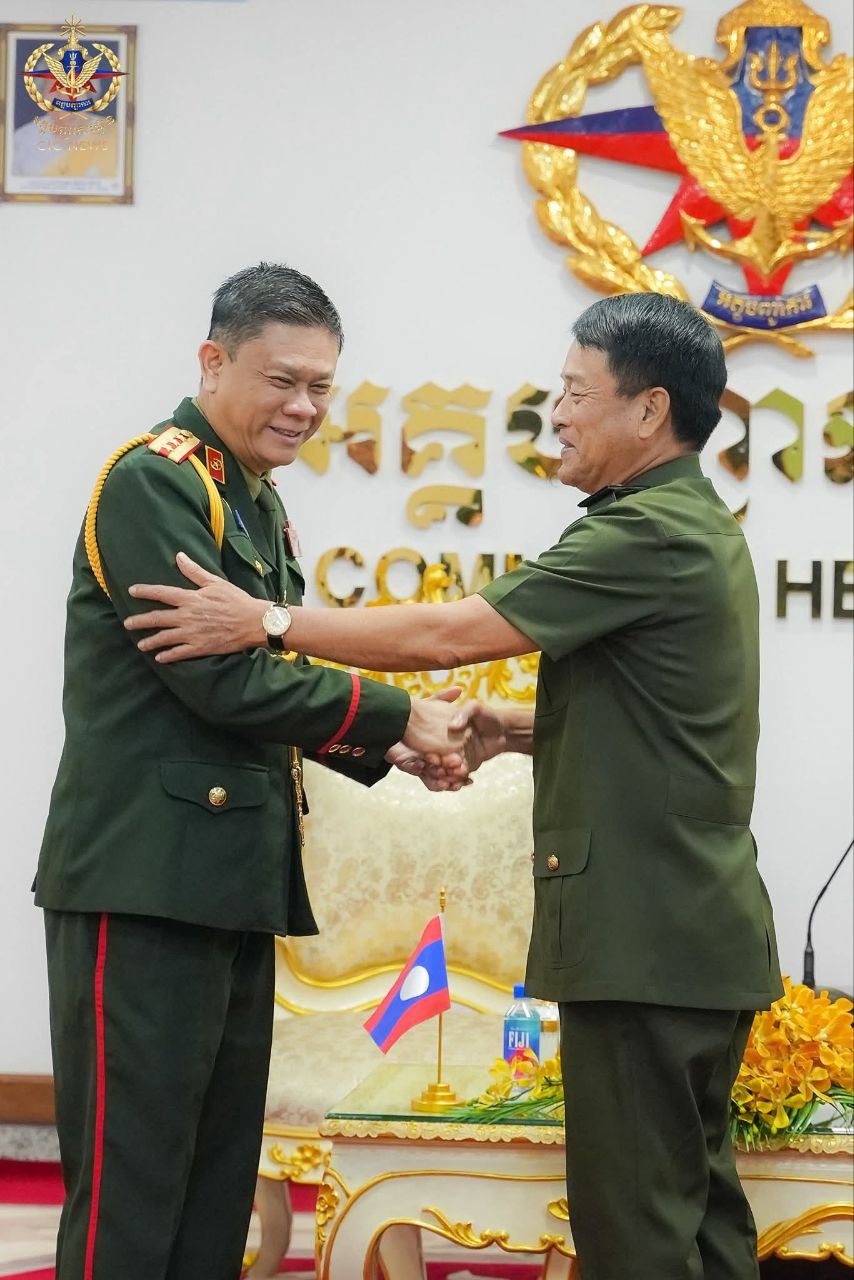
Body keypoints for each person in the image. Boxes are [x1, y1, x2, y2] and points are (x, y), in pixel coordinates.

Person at [128, 291, 784, 1280]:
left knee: (636, 1230)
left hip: (644, 938)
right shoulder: (684, 524)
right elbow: (658, 721)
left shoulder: (646, 531)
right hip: (684, 932)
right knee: (697, 1214)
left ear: (648, 409)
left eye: (575, 393)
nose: (556, 415)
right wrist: (505, 728)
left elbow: (449, 632)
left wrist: (265, 621)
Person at [35, 262, 468, 1280]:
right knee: (135, 1188)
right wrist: (400, 715)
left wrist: (385, 745)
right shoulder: (156, 481)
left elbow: (270, 677)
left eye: (321, 386)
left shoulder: (254, 501)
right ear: (212, 361)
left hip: (228, 878)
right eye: (282, 380)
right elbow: (220, 679)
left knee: (214, 1182)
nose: (304, 407)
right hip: (145, 880)